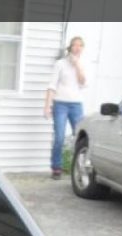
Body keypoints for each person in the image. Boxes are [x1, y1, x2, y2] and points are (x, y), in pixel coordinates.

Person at [45, 36, 87, 179]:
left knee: (81, 138)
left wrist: (77, 65)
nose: (77, 48)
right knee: (59, 137)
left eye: (80, 45)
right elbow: (52, 86)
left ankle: (79, 168)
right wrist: (47, 106)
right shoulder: (60, 64)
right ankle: (56, 168)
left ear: (82, 48)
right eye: (75, 45)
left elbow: (82, 82)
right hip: (60, 104)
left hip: (76, 105)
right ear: (70, 47)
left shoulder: (83, 64)